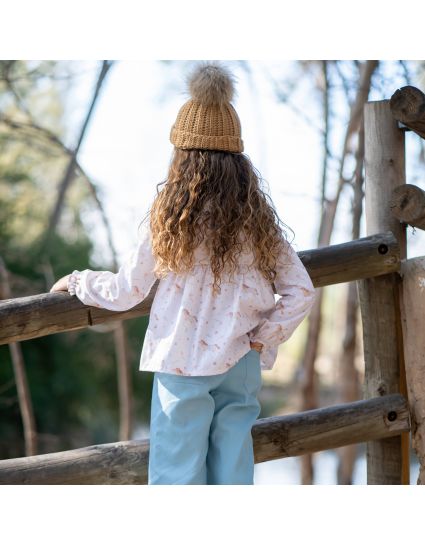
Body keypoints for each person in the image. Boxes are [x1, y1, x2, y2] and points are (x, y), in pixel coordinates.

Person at [50, 61, 316, 485]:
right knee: (232, 476)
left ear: (181, 155)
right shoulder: (257, 223)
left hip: (182, 361)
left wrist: (79, 280)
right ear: (238, 158)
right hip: (241, 360)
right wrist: (263, 337)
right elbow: (300, 291)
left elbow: (126, 291)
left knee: (177, 477)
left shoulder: (170, 220)